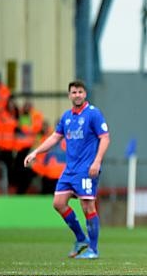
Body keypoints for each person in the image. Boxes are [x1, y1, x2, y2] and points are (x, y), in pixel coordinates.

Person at [24, 80, 110, 259]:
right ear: (69, 95)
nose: (77, 95)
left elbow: (105, 138)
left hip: (86, 169)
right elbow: (55, 137)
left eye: (80, 92)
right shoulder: (66, 117)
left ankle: (93, 250)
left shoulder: (93, 114)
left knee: (87, 206)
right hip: (69, 170)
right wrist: (36, 152)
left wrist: (97, 162)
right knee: (58, 203)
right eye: (73, 92)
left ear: (84, 94)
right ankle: (81, 238)